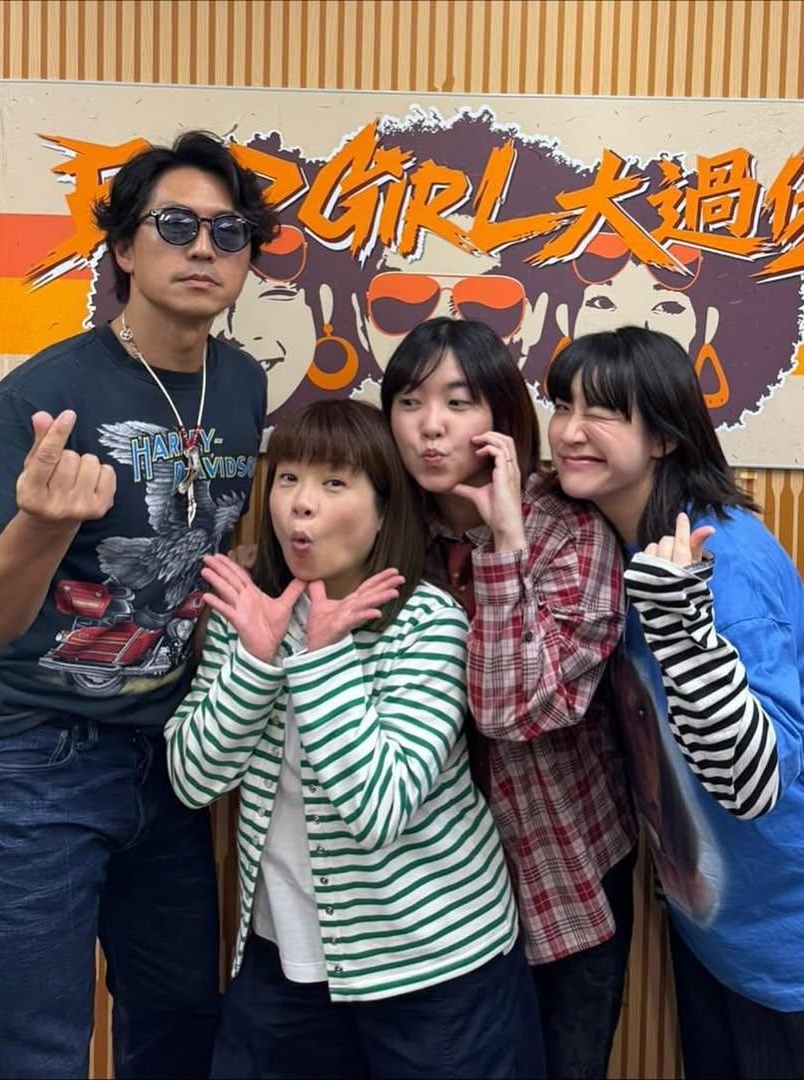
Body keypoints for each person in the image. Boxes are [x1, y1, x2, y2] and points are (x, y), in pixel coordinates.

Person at [546, 325, 804, 1080]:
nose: (571, 432)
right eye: (563, 406)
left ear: (665, 437)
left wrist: (678, 624)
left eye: (603, 412)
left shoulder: (726, 564)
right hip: (726, 925)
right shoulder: (608, 547)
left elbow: (751, 783)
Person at [0, 130, 277, 1079]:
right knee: (32, 1054)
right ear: (124, 247)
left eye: (228, 231)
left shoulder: (241, 383)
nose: (204, 247)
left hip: (168, 757)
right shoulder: (42, 398)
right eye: (175, 225)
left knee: (179, 1034)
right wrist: (42, 528)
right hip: (25, 760)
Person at [166, 399, 543, 1080]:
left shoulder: (428, 622)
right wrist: (255, 662)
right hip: (281, 961)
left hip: (435, 964)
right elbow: (193, 780)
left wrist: (320, 659)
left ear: (383, 511)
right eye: (288, 478)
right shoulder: (251, 612)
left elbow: (378, 810)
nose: (301, 504)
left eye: (334, 483)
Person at [381, 317, 636, 1080]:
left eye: (458, 403)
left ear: (502, 418)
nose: (430, 427)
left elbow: (516, 710)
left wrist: (505, 546)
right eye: (410, 402)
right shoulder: (387, 529)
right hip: (429, 885)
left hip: (560, 867)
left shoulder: (569, 530)